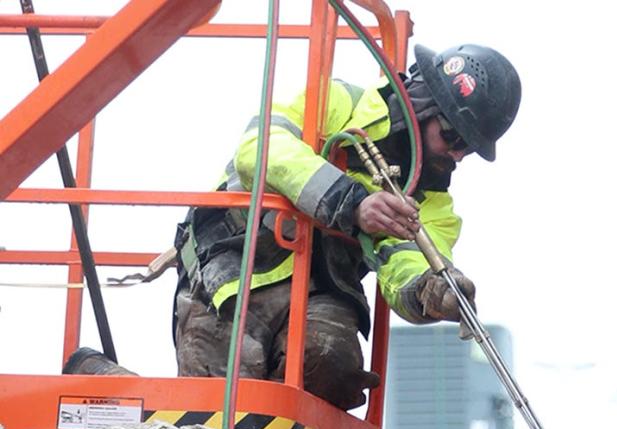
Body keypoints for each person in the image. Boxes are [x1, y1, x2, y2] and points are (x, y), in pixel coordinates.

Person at [172, 43, 522, 410]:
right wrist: (352, 204)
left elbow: (407, 261)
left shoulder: (431, 203)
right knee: (218, 399)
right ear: (423, 105)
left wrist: (429, 290)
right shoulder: (337, 103)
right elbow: (259, 150)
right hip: (235, 267)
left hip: (322, 287)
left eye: (466, 148)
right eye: (453, 136)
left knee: (332, 362)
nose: (456, 154)